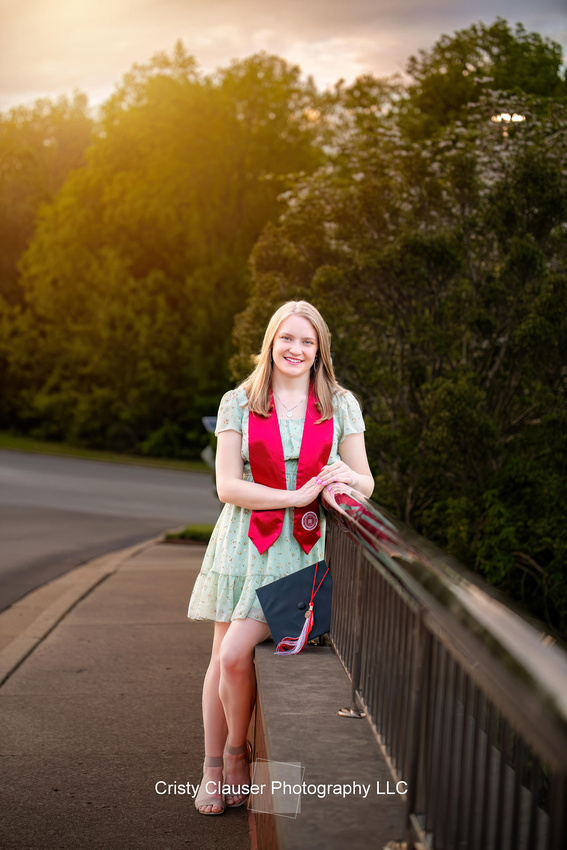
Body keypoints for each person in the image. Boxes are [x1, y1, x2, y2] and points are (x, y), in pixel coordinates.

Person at [187, 300, 374, 814]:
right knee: (220, 656)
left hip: (302, 552)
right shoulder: (240, 402)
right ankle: (211, 767)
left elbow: (367, 481)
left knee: (231, 655)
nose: (295, 349)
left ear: (320, 351)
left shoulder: (340, 404)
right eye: (287, 338)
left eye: (307, 342)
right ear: (271, 341)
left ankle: (236, 756)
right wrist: (291, 497)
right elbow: (227, 486)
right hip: (245, 541)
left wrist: (343, 480)